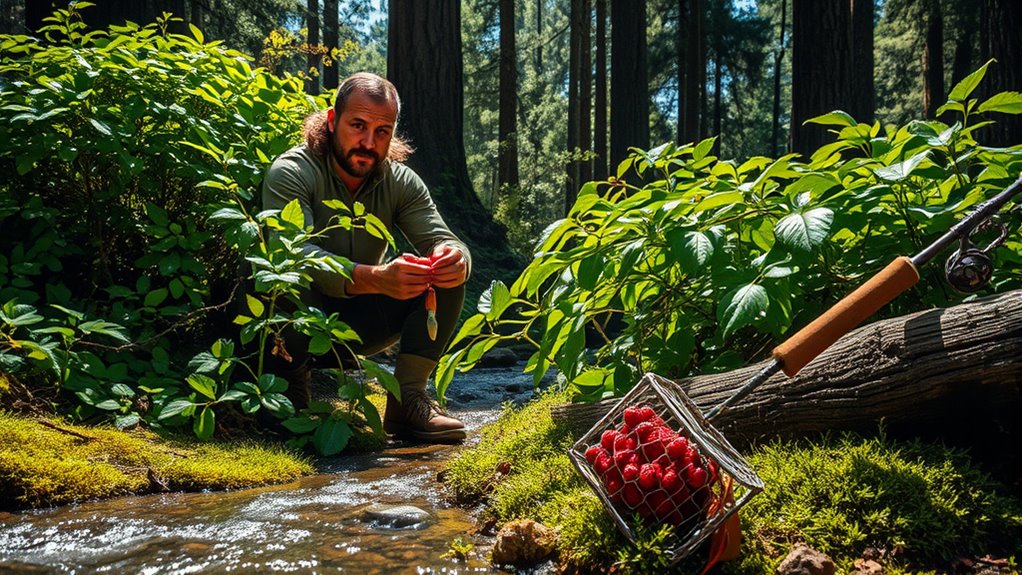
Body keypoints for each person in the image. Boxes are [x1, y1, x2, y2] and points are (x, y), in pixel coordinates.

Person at [261, 72, 469, 443]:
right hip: (290, 322)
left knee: (447, 273)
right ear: (331, 121)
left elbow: (443, 237)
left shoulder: (401, 181)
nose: (369, 142)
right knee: (285, 277)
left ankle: (408, 401)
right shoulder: (292, 172)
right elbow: (293, 255)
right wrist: (373, 277)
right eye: (358, 125)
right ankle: (290, 391)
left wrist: (453, 257)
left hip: (356, 326)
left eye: (382, 131)